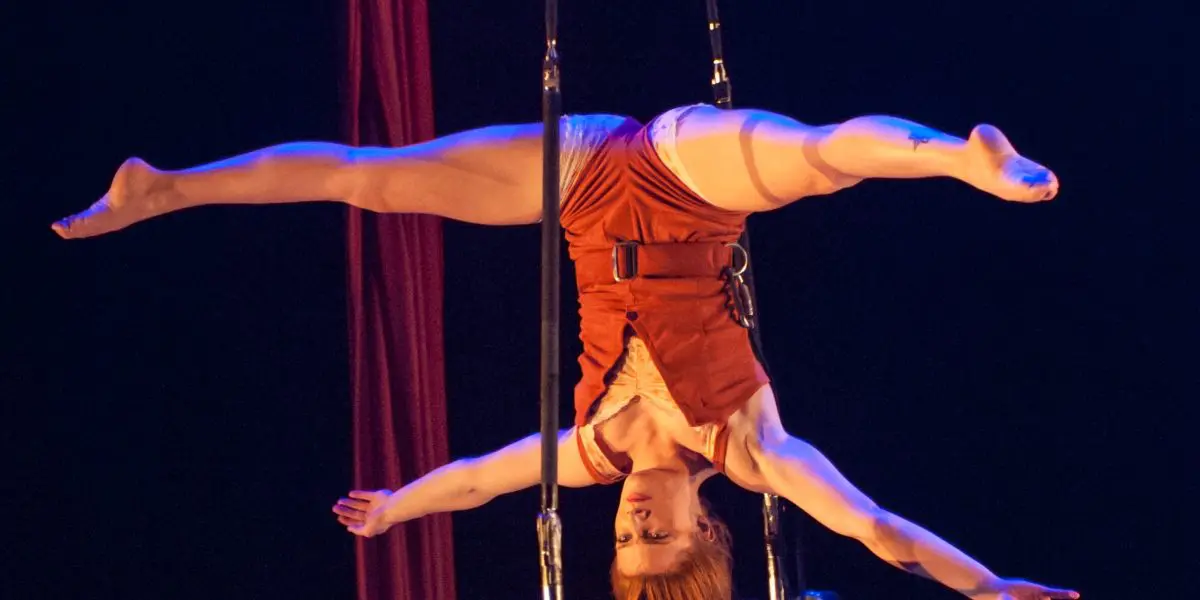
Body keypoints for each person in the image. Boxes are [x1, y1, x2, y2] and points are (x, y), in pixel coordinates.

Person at [54, 104, 1077, 600]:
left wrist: (395, 507)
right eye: (660, 537)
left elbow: (471, 484)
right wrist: (984, 588)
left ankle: (165, 188)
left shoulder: (585, 453)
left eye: (625, 543)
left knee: (377, 181)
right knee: (815, 161)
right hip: (691, 186)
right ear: (706, 534)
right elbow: (874, 527)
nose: (635, 524)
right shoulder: (753, 452)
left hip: (583, 187)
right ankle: (962, 160)